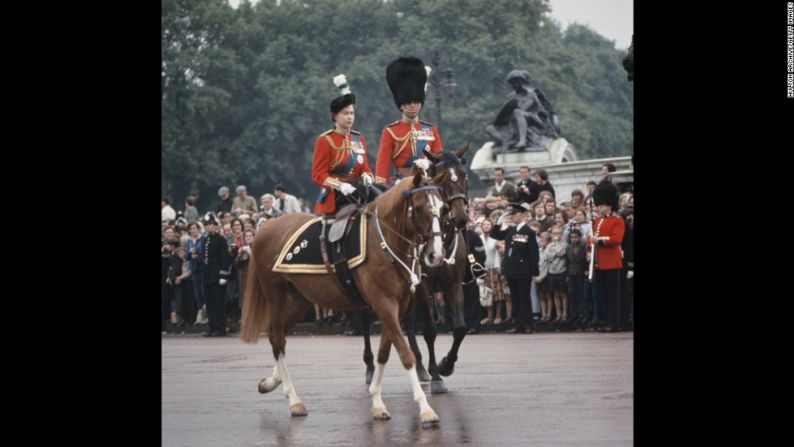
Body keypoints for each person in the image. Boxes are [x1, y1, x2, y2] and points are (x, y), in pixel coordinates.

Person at [311, 74, 374, 215]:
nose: (350, 117)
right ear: (335, 116)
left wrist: (367, 175)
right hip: (335, 195)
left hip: (357, 189)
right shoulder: (325, 140)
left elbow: (364, 166)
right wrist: (340, 185)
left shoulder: (359, 138)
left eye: (352, 113)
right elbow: (318, 174)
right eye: (345, 113)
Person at [375, 56, 442, 186]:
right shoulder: (390, 131)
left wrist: (428, 163)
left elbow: (440, 160)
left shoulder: (431, 130)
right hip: (401, 183)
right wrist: (379, 188)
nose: (412, 105)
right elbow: (382, 165)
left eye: (416, 101)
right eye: (408, 102)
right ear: (401, 104)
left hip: (428, 181)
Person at [489, 203, 540, 334]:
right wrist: (498, 223)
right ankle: (518, 324)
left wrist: (535, 272)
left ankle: (528, 325)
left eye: (515, 214)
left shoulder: (529, 232)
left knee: (524, 298)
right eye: (511, 215)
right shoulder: (511, 230)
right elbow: (495, 235)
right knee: (515, 298)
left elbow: (533, 253)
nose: (512, 217)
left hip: (523, 270)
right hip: (511, 269)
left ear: (523, 215)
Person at [485, 69, 559, 154]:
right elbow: (506, 111)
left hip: (534, 118)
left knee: (517, 112)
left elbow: (524, 108)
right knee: (490, 128)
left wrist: (512, 109)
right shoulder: (511, 96)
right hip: (514, 119)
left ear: (521, 82)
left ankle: (522, 141)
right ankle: (504, 141)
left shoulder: (530, 94)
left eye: (517, 82)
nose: (515, 85)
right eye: (513, 83)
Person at [588, 181, 625, 332]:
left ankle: (613, 321)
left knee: (613, 296)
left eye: (603, 205)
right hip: (599, 263)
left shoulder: (618, 220)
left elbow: (617, 239)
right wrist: (589, 250)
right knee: (601, 295)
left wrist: (599, 241)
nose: (600, 207)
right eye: (599, 205)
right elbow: (589, 240)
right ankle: (603, 320)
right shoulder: (595, 221)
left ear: (610, 205)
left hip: (612, 262)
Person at [199, 212, 232, 337]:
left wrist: (223, 275)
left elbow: (224, 258)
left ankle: (220, 327)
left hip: (217, 274)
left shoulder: (221, 239)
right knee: (210, 303)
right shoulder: (204, 240)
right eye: (206, 225)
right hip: (207, 274)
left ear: (215, 225)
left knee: (218, 302)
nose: (208, 227)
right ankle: (211, 327)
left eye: (210, 224)